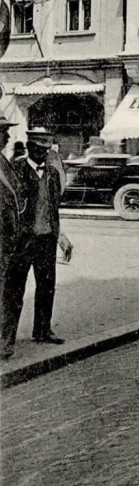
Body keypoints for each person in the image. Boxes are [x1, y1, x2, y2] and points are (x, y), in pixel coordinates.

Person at [3, 128, 65, 352]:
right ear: (29, 148)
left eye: (46, 150)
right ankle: (5, 339)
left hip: (46, 239)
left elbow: (53, 207)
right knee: (14, 290)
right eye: (38, 149)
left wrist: (60, 237)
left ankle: (43, 329)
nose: (43, 154)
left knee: (47, 286)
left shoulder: (53, 174)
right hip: (22, 241)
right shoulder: (16, 170)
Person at [0, 117, 23, 359]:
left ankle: (5, 343)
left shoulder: (4, 162)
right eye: (3, 132)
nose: (7, 137)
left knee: (10, 295)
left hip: (10, 244)